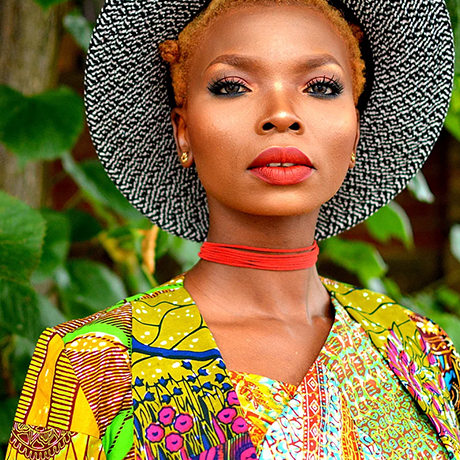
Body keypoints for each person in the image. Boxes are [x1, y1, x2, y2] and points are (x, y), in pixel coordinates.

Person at [5, 0, 460, 459]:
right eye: (231, 86)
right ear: (183, 131)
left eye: (321, 87)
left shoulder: (417, 349)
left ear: (356, 130)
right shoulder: (89, 361)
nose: (282, 114)